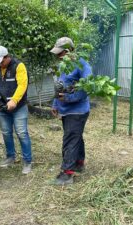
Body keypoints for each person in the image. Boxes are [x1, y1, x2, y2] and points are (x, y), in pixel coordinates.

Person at [0, 45, 32, 174]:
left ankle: (27, 161)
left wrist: (14, 100)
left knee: (21, 133)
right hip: (2, 105)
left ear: (7, 57)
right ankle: (10, 157)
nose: (0, 64)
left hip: (19, 106)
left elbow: (22, 85)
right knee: (6, 132)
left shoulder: (19, 66)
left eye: (2, 61)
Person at [50, 37, 91, 185]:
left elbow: (87, 89)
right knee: (76, 137)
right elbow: (59, 86)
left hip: (78, 110)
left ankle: (67, 173)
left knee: (70, 139)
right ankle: (79, 163)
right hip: (65, 110)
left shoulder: (82, 64)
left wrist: (68, 98)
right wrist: (55, 103)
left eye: (60, 53)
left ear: (69, 51)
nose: (58, 56)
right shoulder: (63, 66)